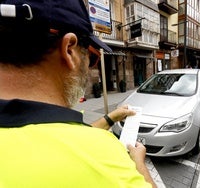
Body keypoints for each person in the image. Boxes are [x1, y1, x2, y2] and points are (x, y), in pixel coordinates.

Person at [0, 0, 156, 187]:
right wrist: (139, 165)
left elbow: (62, 135)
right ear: (69, 50)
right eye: (91, 57)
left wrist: (110, 118)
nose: (89, 67)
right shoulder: (104, 156)